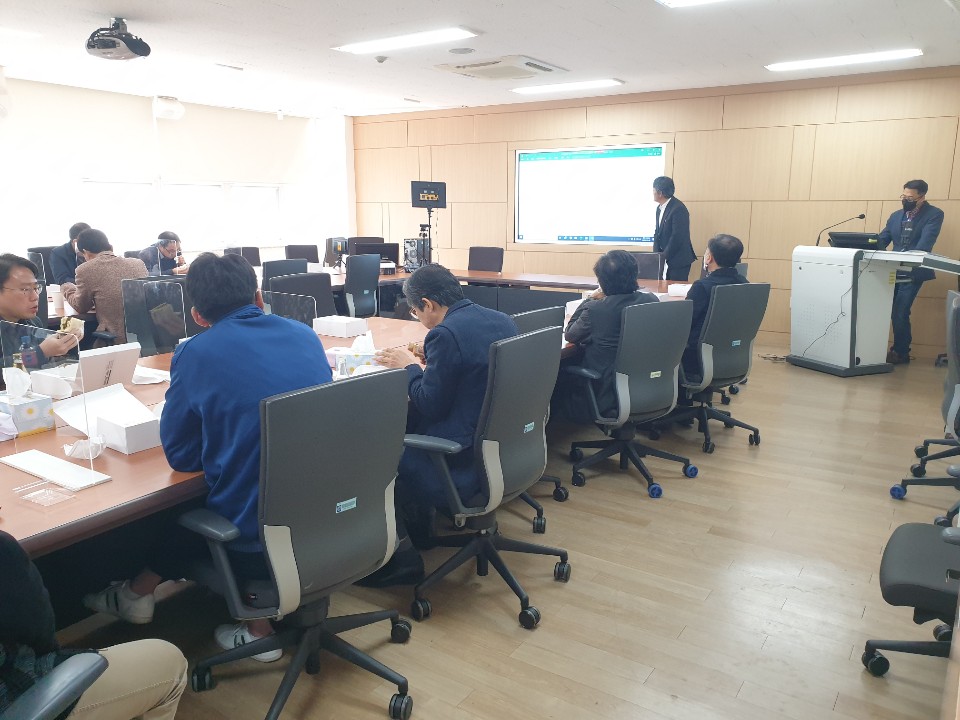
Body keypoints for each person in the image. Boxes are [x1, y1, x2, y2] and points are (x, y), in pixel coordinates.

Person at [83, 252, 332, 662]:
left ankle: (257, 629)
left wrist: (221, 431)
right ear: (259, 298)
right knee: (228, 493)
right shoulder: (304, 334)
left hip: (259, 538)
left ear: (197, 316)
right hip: (329, 515)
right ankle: (136, 594)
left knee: (201, 506)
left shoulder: (196, 353)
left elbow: (181, 456)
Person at [370, 264, 518, 585]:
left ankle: (402, 557)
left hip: (460, 458)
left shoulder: (445, 334)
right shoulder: (502, 320)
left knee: (379, 456)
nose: (417, 317)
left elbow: (429, 403)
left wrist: (410, 366)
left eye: (415, 311)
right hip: (501, 449)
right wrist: (433, 360)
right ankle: (423, 529)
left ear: (428, 304)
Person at [0, 530, 187, 719]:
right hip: (18, 700)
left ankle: (133, 596)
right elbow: (41, 640)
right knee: (171, 662)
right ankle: (134, 595)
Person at [550, 249, 658, 424]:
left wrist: (590, 299)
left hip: (605, 391)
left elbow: (570, 334)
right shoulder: (651, 301)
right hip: (644, 385)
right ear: (635, 275)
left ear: (602, 281)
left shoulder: (596, 309)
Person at [877, 179, 945, 365]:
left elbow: (925, 244)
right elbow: (882, 240)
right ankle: (875, 348)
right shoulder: (895, 216)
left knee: (900, 311)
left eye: (910, 198)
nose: (905, 200)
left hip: (913, 271)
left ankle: (901, 352)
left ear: (921, 197)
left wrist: (907, 257)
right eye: (903, 196)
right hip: (891, 270)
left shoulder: (934, 214)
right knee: (883, 309)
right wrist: (866, 244)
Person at [61, 228, 149, 345]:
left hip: (116, 342)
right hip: (147, 339)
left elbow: (80, 306)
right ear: (110, 246)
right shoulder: (138, 263)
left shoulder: (85, 270)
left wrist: (67, 288)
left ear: (85, 252)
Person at [0, 254, 79, 378]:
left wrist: (64, 343)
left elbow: (46, 362)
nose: (35, 297)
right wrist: (40, 353)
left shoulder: (33, 322)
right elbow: (4, 369)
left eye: (36, 288)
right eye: (25, 289)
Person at [682, 234, 748, 379]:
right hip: (733, 353)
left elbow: (685, 323)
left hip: (696, 357)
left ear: (709, 258)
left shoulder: (702, 287)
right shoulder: (745, 284)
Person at [652, 176, 696, 281]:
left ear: (660, 193)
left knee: (674, 289)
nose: (652, 193)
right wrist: (656, 256)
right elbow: (657, 233)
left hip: (678, 260)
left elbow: (677, 237)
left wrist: (664, 257)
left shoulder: (678, 208)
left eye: (653, 190)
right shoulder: (659, 208)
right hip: (665, 258)